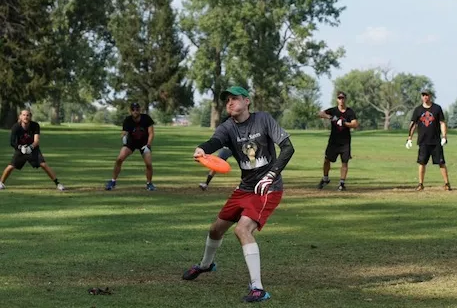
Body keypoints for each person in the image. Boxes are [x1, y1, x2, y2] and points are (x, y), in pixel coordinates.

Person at [182, 86, 295, 303]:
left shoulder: (263, 119)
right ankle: (206, 265)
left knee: (242, 229)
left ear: (247, 101)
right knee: (216, 229)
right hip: (244, 187)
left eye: (235, 99)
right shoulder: (228, 127)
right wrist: (202, 148)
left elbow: (288, 148)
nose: (230, 103)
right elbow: (215, 142)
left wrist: (271, 175)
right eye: (227, 101)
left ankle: (258, 288)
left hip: (267, 188)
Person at [0, 109, 65, 191]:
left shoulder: (35, 125)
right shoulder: (15, 127)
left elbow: (36, 141)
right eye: (23, 115)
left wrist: (30, 147)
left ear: (30, 117)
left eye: (27, 115)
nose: (25, 117)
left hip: (33, 149)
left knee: (43, 165)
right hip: (21, 149)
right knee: (11, 166)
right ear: (20, 116)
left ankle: (58, 183)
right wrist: (21, 148)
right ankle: (1, 183)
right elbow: (12, 142)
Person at [406, 89, 451, 191]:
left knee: (441, 162)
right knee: (421, 162)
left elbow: (442, 123)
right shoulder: (418, 110)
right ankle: (420, 184)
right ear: (421, 97)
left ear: (430, 96)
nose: (425, 97)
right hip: (423, 141)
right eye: (423, 95)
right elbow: (413, 125)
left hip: (435, 141)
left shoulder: (437, 108)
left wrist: (444, 136)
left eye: (427, 95)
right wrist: (409, 138)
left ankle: (447, 184)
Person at [105, 102, 156, 191]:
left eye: (137, 109)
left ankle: (149, 183)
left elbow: (151, 133)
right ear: (130, 111)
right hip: (131, 143)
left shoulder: (146, 118)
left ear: (140, 110)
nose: (135, 111)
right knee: (119, 159)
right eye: (133, 109)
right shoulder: (128, 120)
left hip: (144, 144)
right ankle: (113, 181)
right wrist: (123, 137)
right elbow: (124, 132)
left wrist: (148, 145)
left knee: (148, 164)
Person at [317, 91, 359, 191]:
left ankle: (342, 183)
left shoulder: (350, 112)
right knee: (327, 159)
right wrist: (331, 117)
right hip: (333, 141)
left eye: (343, 98)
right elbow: (320, 113)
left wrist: (345, 123)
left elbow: (355, 124)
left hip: (345, 142)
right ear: (337, 99)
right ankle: (325, 178)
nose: (341, 100)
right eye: (339, 98)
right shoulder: (334, 110)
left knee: (345, 162)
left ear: (345, 99)